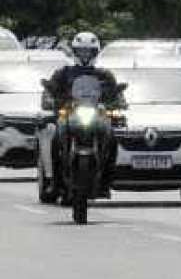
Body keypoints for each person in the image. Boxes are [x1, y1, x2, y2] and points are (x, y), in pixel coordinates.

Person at [43, 32, 123, 197]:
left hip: (96, 116)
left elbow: (117, 96)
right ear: (75, 52)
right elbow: (51, 92)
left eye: (89, 52)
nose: (85, 55)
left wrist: (117, 104)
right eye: (81, 52)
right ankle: (55, 182)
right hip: (70, 115)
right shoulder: (63, 73)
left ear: (95, 53)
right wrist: (52, 101)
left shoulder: (104, 75)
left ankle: (106, 182)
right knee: (55, 139)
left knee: (113, 139)